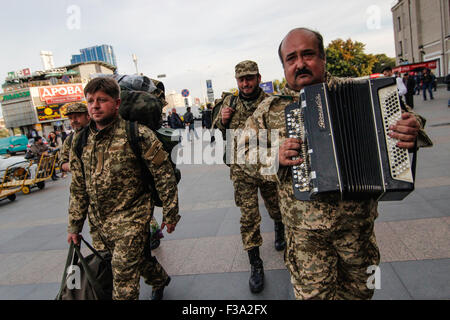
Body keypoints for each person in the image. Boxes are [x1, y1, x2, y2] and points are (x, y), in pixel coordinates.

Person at [241, 27, 432, 300]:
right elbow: (242, 152)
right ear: (283, 66)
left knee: (361, 292)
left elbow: (410, 120)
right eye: (291, 58)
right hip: (305, 237)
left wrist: (411, 131)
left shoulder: (364, 91)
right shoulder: (269, 109)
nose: (300, 64)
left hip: (357, 230)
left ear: (322, 58)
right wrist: (274, 157)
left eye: (308, 54)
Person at [67, 77, 180, 300]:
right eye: (90, 101)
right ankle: (158, 278)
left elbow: (164, 175)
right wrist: (74, 225)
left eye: (102, 100)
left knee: (122, 278)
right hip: (99, 223)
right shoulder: (80, 141)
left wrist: (171, 212)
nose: (95, 106)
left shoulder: (137, 134)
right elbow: (78, 187)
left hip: (132, 217)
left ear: (117, 103)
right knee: (134, 260)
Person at [214, 60, 285, 294]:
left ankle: (279, 226)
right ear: (237, 81)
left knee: (275, 206)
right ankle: (255, 264)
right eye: (241, 79)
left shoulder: (269, 103)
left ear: (258, 78)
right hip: (241, 171)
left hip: (265, 166)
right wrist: (223, 120)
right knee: (249, 217)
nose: (245, 83)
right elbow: (215, 129)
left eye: (250, 78)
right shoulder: (230, 102)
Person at [59, 103, 91, 177]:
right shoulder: (70, 139)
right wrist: (74, 167)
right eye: (70, 118)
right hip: (79, 186)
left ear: (88, 116)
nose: (73, 120)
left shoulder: (98, 133)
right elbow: (62, 161)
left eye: (77, 116)